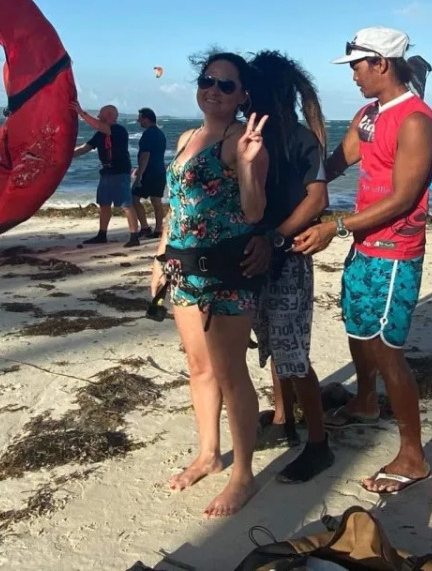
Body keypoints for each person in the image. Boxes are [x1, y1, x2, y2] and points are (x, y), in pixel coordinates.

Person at [294, 26, 432, 496]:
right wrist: (295, 179)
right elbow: (335, 162)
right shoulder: (368, 115)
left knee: (387, 351)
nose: (353, 75)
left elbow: (402, 199)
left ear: (381, 63)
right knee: (358, 329)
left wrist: (335, 227)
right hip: (365, 245)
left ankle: (413, 455)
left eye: (358, 66)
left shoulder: (416, 120)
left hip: (395, 251)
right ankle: (364, 402)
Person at [150, 52, 269, 518]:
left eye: (226, 85)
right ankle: (208, 455)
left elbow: (254, 211)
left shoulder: (244, 138)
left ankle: (243, 475)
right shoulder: (185, 137)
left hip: (226, 272)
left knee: (230, 372)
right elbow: (176, 205)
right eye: (207, 80)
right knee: (199, 367)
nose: (213, 90)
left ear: (242, 96)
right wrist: (160, 258)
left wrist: (246, 165)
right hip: (183, 268)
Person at [243, 50, 335, 484]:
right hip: (253, 255)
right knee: (271, 343)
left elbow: (317, 199)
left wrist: (274, 237)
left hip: (288, 256)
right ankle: (283, 419)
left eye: (249, 91)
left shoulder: (300, 139)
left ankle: (319, 443)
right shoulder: (245, 135)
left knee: (293, 352)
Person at [73, 104, 140, 247]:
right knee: (104, 204)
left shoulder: (118, 130)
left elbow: (99, 126)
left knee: (126, 205)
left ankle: (134, 236)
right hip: (106, 172)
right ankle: (102, 234)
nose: (98, 117)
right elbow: (85, 148)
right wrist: (67, 156)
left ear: (109, 116)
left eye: (100, 115)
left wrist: (82, 113)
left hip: (119, 172)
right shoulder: (100, 134)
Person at [132, 107, 167, 240]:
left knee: (134, 198)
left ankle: (146, 227)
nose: (138, 121)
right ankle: (158, 229)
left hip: (149, 172)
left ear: (146, 119)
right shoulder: (160, 133)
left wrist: (139, 175)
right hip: (159, 170)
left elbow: (145, 155)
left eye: (140, 118)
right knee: (156, 201)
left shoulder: (148, 134)